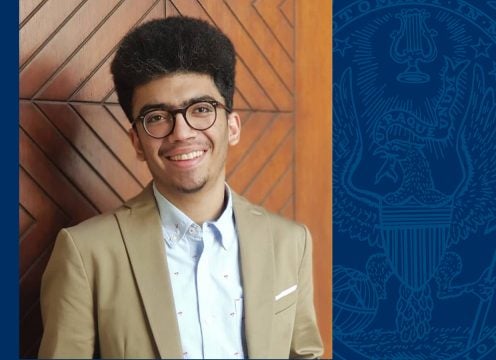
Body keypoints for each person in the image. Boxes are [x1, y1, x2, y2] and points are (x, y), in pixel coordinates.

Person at [38, 16, 323, 359]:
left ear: (232, 127)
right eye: (157, 116)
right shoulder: (86, 253)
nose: (182, 132)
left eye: (201, 109)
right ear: (137, 142)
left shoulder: (291, 242)